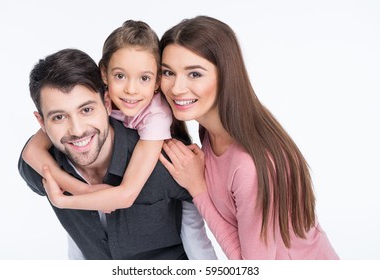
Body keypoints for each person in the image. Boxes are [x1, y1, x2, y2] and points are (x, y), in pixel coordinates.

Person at [158, 15, 339, 260]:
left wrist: (197, 187)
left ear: (226, 75)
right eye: (168, 72)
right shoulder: (210, 130)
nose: (177, 88)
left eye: (195, 74)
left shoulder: (249, 165)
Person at [18, 47, 216, 259]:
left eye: (86, 110)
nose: (77, 130)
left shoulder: (164, 162)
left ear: (106, 103)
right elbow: (77, 238)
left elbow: (197, 238)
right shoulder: (40, 169)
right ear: (42, 123)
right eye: (59, 117)